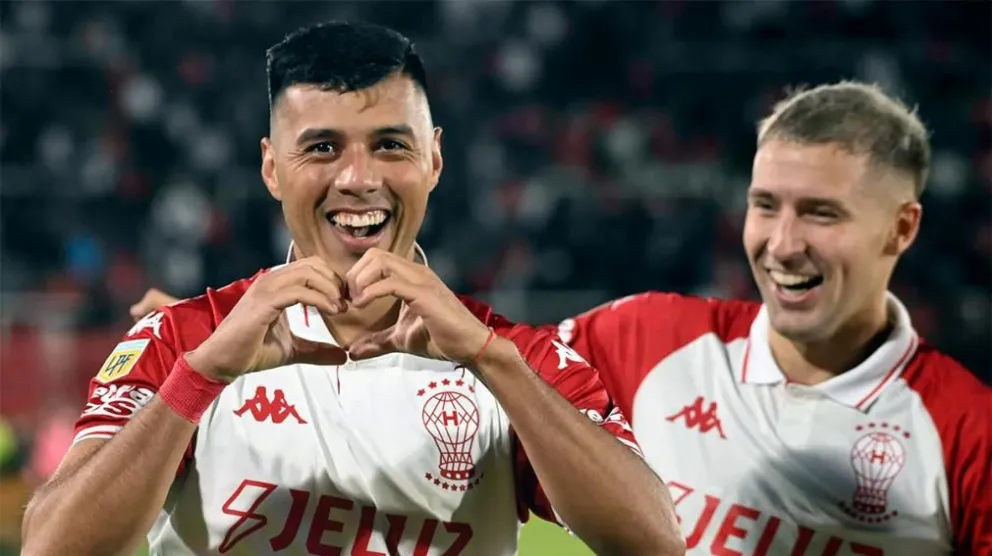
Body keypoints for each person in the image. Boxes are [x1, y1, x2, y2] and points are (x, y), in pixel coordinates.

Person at [21, 21, 683, 556]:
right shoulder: (185, 340)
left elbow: (653, 541)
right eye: (322, 149)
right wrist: (201, 378)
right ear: (271, 167)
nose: (358, 179)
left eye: (390, 145)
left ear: (434, 159)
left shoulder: (515, 356)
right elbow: (51, 546)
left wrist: (491, 361)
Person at [554, 82, 992, 555]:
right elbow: (497, 404)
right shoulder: (641, 340)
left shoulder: (970, 433)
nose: (782, 245)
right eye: (764, 205)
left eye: (821, 214)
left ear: (900, 228)